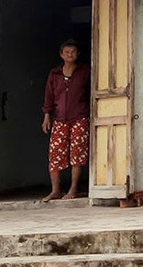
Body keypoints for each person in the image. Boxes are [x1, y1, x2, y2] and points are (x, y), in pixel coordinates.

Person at [41, 39, 90, 202]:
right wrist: (47, 115)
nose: (70, 54)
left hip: (79, 117)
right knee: (55, 154)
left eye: (73, 51)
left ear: (78, 54)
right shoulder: (54, 74)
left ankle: (73, 190)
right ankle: (55, 190)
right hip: (60, 118)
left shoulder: (85, 71)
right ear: (61, 54)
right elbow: (49, 96)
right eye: (67, 52)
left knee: (77, 153)